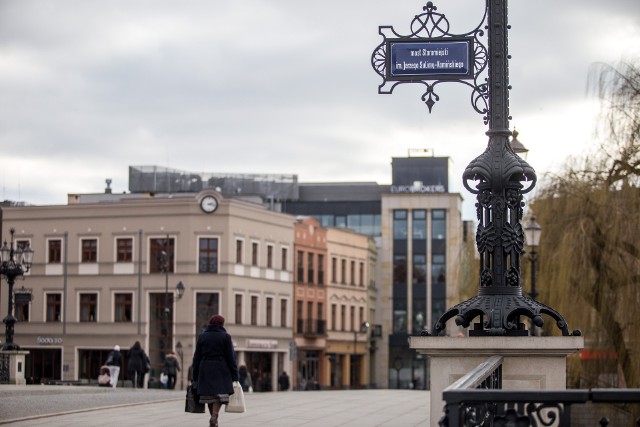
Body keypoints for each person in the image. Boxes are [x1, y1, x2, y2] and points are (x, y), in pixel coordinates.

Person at [192, 314, 239, 427]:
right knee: (219, 395)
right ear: (222, 324)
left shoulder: (202, 336)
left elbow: (196, 357)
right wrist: (235, 376)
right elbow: (231, 357)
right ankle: (214, 415)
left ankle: (213, 418)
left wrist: (195, 375)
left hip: (205, 368)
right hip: (220, 368)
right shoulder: (225, 337)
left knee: (208, 396)